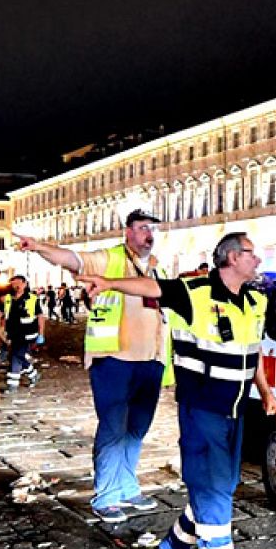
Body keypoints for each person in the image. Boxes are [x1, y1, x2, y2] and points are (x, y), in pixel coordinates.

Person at [77, 232, 276, 549]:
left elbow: (254, 349)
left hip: (236, 410)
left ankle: (172, 547)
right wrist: (108, 283)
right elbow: (150, 286)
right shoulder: (195, 293)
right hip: (202, 409)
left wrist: (266, 392)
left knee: (221, 483)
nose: (258, 260)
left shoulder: (255, 301)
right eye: (252, 253)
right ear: (232, 257)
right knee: (214, 488)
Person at [17, 210, 169, 524]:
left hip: (151, 359)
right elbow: (73, 259)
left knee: (137, 428)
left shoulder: (157, 268)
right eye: (142, 228)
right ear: (128, 232)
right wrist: (40, 247)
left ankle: (127, 486)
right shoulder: (109, 259)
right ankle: (107, 495)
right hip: (113, 357)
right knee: (114, 427)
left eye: (152, 229)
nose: (149, 235)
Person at [0, 273, 45, 392]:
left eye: (19, 283)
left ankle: (12, 385)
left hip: (28, 333)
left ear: (25, 284)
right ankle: (33, 374)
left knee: (16, 355)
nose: (16, 286)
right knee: (17, 355)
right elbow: (5, 315)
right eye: (14, 283)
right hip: (13, 333)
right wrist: (3, 330)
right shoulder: (8, 299)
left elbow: (40, 316)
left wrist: (41, 334)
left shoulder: (32, 298)